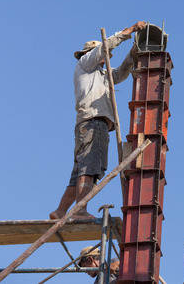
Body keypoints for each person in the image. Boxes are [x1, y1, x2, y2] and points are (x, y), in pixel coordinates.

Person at [49, 21, 146, 220]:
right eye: (104, 57)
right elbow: (104, 47)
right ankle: (80, 211)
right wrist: (130, 30)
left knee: (80, 173)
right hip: (93, 123)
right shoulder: (85, 64)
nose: (105, 60)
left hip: (90, 124)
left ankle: (60, 212)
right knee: (89, 167)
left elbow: (118, 74)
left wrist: (131, 56)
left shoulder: (100, 75)